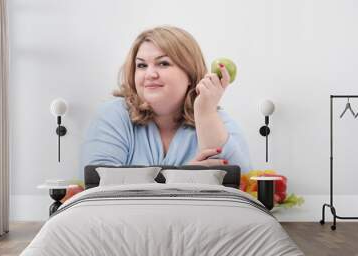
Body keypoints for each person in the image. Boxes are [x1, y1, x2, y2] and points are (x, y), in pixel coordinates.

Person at [81, 26, 251, 174]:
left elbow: (239, 188)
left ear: (190, 73)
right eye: (141, 65)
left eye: (163, 64)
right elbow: (97, 186)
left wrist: (205, 113)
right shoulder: (114, 115)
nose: (150, 74)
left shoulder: (216, 120)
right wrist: (181, 180)